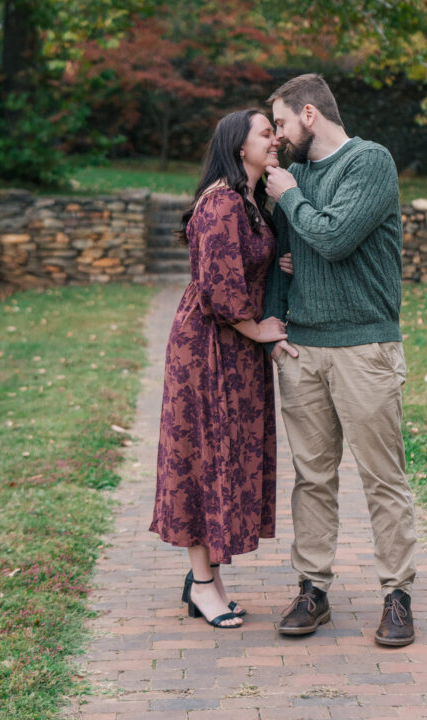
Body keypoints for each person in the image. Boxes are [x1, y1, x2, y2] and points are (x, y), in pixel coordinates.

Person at [264, 73, 418, 647]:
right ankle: (313, 590)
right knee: (312, 477)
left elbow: (332, 238)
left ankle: (397, 595)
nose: (276, 137)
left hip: (365, 348)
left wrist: (292, 200)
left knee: (383, 478)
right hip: (303, 350)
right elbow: (284, 254)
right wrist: (278, 327)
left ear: (309, 114)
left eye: (280, 123)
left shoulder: (370, 162)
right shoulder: (293, 177)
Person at [149, 109, 297, 628]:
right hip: (207, 348)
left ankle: (205, 581)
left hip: (232, 350)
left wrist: (277, 262)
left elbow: (244, 263)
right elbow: (216, 284)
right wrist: (258, 328)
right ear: (239, 147)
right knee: (203, 459)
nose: (274, 139)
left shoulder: (250, 203)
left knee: (224, 458)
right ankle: (204, 585)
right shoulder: (221, 202)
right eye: (265, 133)